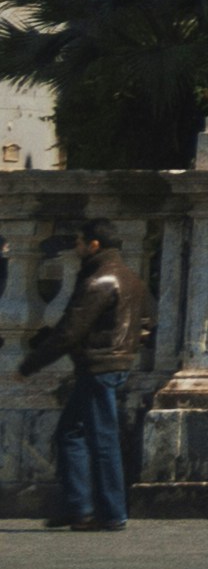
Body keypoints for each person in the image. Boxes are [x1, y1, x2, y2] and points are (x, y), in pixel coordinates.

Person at [30, 220, 134, 537]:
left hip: (98, 365)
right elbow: (146, 321)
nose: (75, 247)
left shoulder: (99, 279)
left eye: (79, 242)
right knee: (72, 433)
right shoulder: (129, 276)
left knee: (98, 439)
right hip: (113, 364)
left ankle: (108, 512)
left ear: (94, 245)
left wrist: (30, 364)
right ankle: (80, 507)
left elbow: (71, 330)